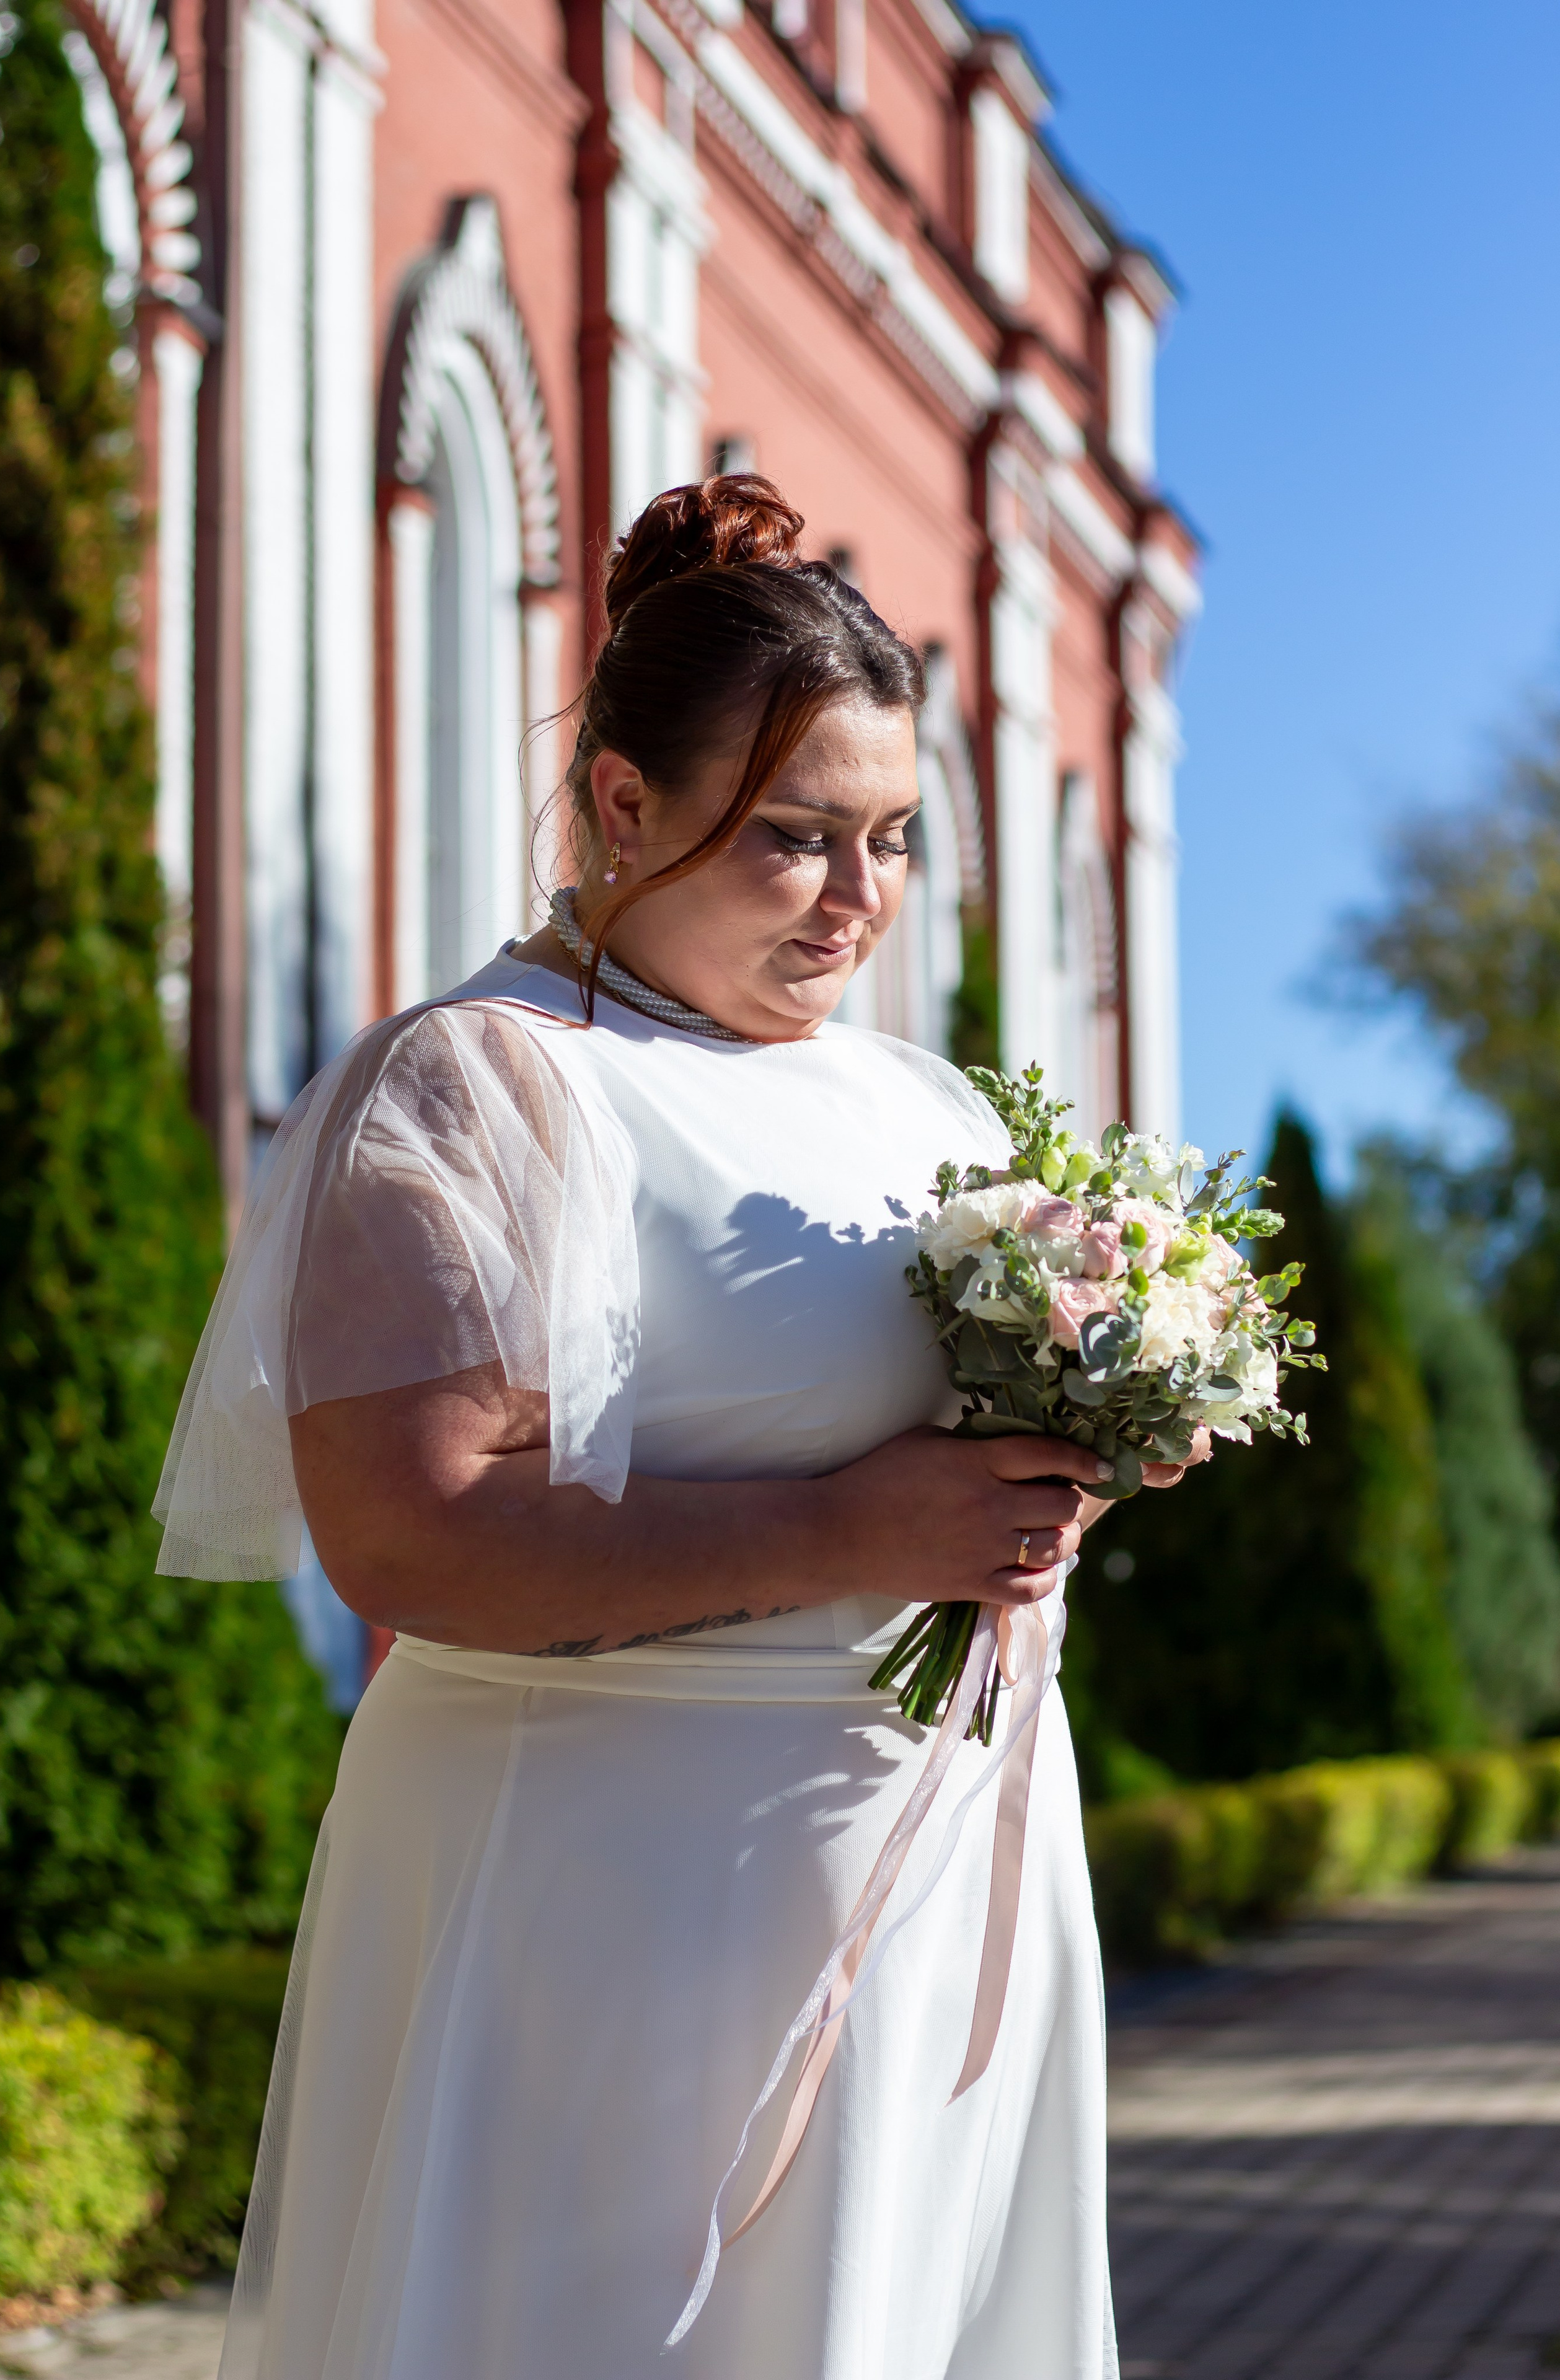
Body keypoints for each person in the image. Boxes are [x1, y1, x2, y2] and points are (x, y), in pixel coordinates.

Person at [159, 475, 1189, 2380]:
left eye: (888, 839)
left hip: (955, 1882)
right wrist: (854, 1536)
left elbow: (944, 1490)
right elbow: (407, 1539)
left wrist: (1082, 1456)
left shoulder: (935, 1107)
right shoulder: (475, 1084)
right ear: (622, 802)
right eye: (795, 838)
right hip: (617, 1926)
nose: (861, 898)